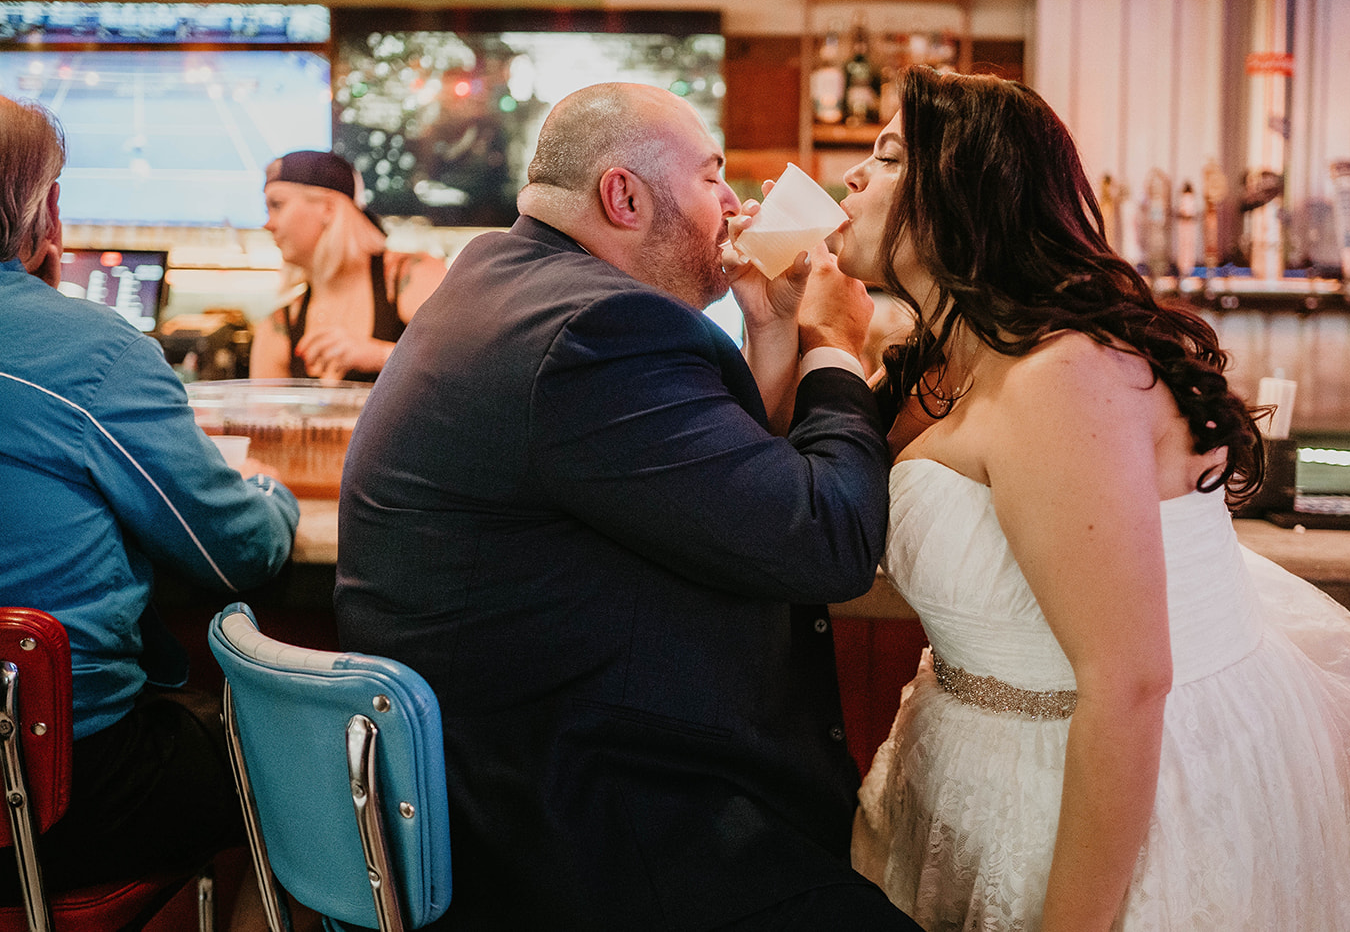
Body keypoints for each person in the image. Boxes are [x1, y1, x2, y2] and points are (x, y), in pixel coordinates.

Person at [843, 68, 1350, 932]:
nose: (854, 176)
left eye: (889, 156)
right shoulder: (936, 363)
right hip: (978, 769)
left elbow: (1127, 681)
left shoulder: (1060, 376)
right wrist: (787, 324)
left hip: (1111, 791)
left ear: (963, 196)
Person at [335, 82, 921, 931]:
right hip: (583, 831)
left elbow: (716, 482)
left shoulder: (504, 279)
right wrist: (833, 344)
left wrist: (771, 328)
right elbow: (826, 539)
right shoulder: (599, 330)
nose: (735, 205)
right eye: (712, 178)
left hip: (491, 785)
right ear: (624, 196)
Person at [0, 96, 300, 921]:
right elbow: (236, 552)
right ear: (48, 213)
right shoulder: (93, 351)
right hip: (57, 796)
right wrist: (270, 492)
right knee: (302, 766)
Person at [249, 150, 446, 382]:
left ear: (328, 208)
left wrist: (378, 355)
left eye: (277, 205)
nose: (267, 224)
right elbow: (263, 406)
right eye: (267, 210)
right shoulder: (278, 326)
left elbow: (468, 364)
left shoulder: (410, 275)